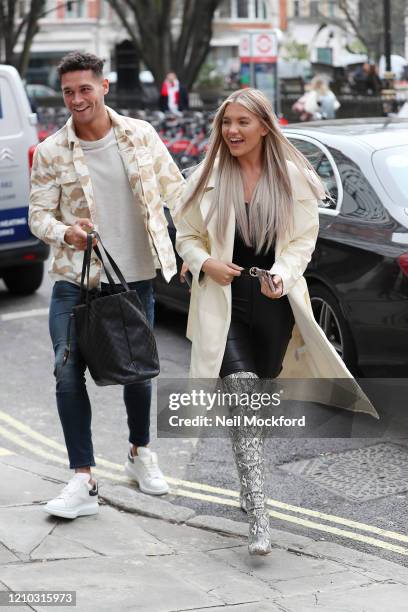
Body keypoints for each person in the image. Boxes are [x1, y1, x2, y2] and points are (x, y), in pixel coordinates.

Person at [176, 88, 377, 556]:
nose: (232, 132)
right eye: (227, 123)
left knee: (256, 400)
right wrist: (205, 262)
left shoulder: (294, 179)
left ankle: (252, 482)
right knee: (241, 390)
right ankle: (260, 515)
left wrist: (282, 277)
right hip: (222, 302)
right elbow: (185, 236)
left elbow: (302, 242)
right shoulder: (205, 176)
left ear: (265, 126)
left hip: (272, 301)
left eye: (243, 123)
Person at [29, 51, 185, 519]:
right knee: (65, 369)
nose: (77, 99)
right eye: (68, 91)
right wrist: (65, 232)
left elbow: (177, 190)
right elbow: (38, 215)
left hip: (135, 278)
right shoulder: (53, 150)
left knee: (137, 370)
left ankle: (140, 452)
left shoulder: (141, 134)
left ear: (104, 86)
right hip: (75, 281)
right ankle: (83, 478)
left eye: (85, 89)